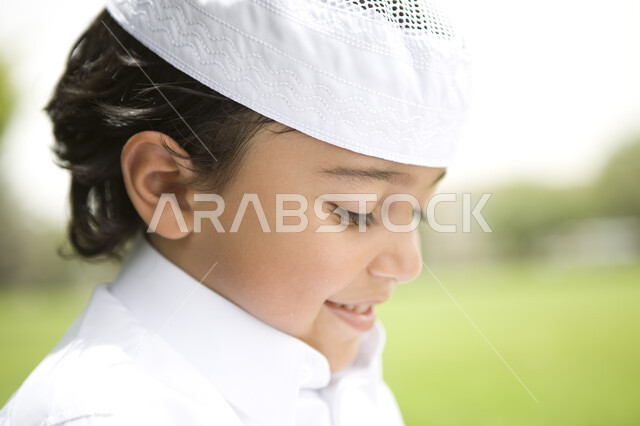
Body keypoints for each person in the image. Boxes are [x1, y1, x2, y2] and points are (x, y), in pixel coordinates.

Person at [0, 0, 471, 425]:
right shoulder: (109, 414)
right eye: (358, 212)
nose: (409, 265)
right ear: (169, 187)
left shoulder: (346, 383)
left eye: (416, 214)